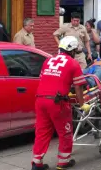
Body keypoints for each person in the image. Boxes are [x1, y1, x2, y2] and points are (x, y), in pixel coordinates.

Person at [31, 36, 91, 170]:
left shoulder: (48, 60)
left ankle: (36, 163)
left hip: (40, 100)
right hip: (57, 102)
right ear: (72, 50)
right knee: (65, 132)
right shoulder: (73, 63)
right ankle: (63, 161)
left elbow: (45, 79)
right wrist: (82, 104)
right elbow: (78, 87)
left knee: (42, 132)